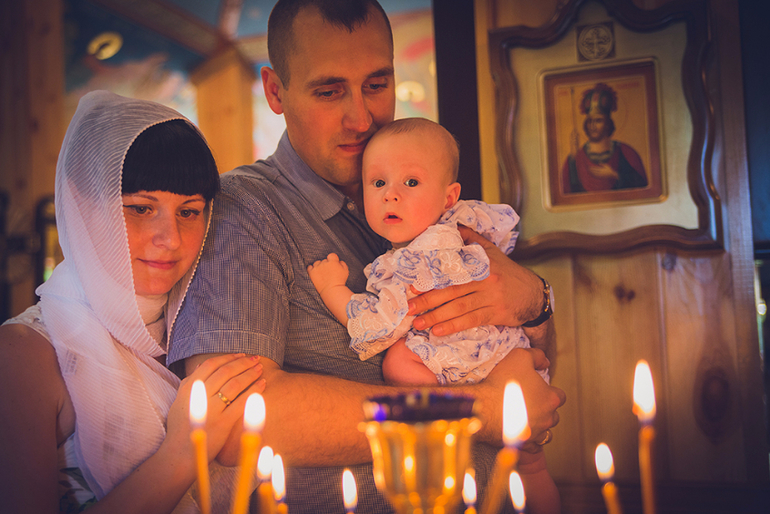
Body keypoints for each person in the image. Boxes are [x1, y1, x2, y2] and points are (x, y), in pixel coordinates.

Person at [168, 1, 566, 513]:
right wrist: (486, 412)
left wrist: (535, 302)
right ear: (275, 91)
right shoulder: (244, 211)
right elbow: (235, 417)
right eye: (329, 91)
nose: (361, 118)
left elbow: (534, 365)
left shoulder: (430, 200)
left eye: (377, 84)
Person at [0, 91, 266, 514]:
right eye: (140, 208)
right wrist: (183, 452)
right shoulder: (23, 354)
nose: (171, 239)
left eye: (189, 212)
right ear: (83, 206)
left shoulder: (205, 332)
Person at [308, 118, 560, 514]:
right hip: (511, 357)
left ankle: (441, 421)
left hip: (465, 360)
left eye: (410, 182)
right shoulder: (466, 226)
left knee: (397, 360)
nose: (391, 195)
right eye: (378, 183)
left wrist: (331, 289)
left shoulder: (414, 261)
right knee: (531, 464)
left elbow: (378, 324)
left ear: (448, 196)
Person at [562, 82, 648, 193]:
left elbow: (642, 187)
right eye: (590, 121)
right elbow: (569, 193)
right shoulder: (576, 158)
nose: (592, 126)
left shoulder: (626, 153)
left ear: (608, 124)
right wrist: (573, 160)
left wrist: (614, 175)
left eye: (598, 120)